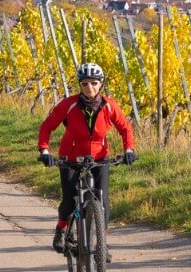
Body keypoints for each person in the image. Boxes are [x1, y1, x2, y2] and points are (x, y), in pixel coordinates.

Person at [37, 62, 137, 260]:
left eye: (93, 83)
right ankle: (61, 229)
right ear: (79, 85)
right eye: (84, 84)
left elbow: (125, 128)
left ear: (101, 84)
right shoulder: (69, 105)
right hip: (70, 158)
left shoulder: (109, 106)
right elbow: (46, 127)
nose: (89, 88)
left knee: (103, 202)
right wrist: (45, 151)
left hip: (99, 157)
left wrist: (129, 150)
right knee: (71, 200)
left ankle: (102, 243)